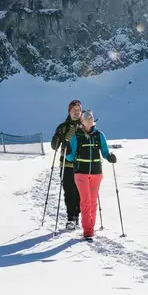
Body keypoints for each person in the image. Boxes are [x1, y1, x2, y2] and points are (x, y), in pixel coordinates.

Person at [66, 110, 116, 240]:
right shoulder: (76, 136)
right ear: (82, 121)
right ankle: (88, 231)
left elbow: (105, 151)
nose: (89, 119)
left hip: (96, 173)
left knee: (93, 202)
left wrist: (110, 156)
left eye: (91, 117)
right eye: (86, 117)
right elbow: (70, 157)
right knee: (86, 201)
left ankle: (91, 228)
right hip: (80, 173)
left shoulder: (99, 135)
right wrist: (67, 151)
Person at [51, 100, 83, 229]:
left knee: (81, 193)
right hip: (67, 164)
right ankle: (71, 217)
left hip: (83, 164)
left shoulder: (85, 125)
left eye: (78, 110)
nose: (76, 112)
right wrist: (57, 137)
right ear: (69, 112)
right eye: (74, 110)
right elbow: (54, 146)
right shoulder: (63, 127)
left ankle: (77, 215)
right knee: (69, 192)